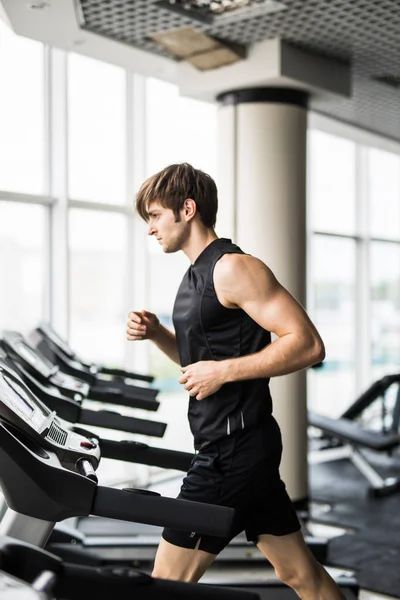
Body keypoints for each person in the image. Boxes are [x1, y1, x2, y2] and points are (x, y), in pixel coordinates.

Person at [126, 163, 345, 599]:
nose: (150, 229)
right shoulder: (194, 276)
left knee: (166, 585)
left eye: (154, 215)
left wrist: (223, 371)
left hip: (232, 451)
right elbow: (198, 366)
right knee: (301, 575)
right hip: (240, 445)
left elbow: (307, 345)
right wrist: (158, 335)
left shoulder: (232, 268)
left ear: (186, 209)